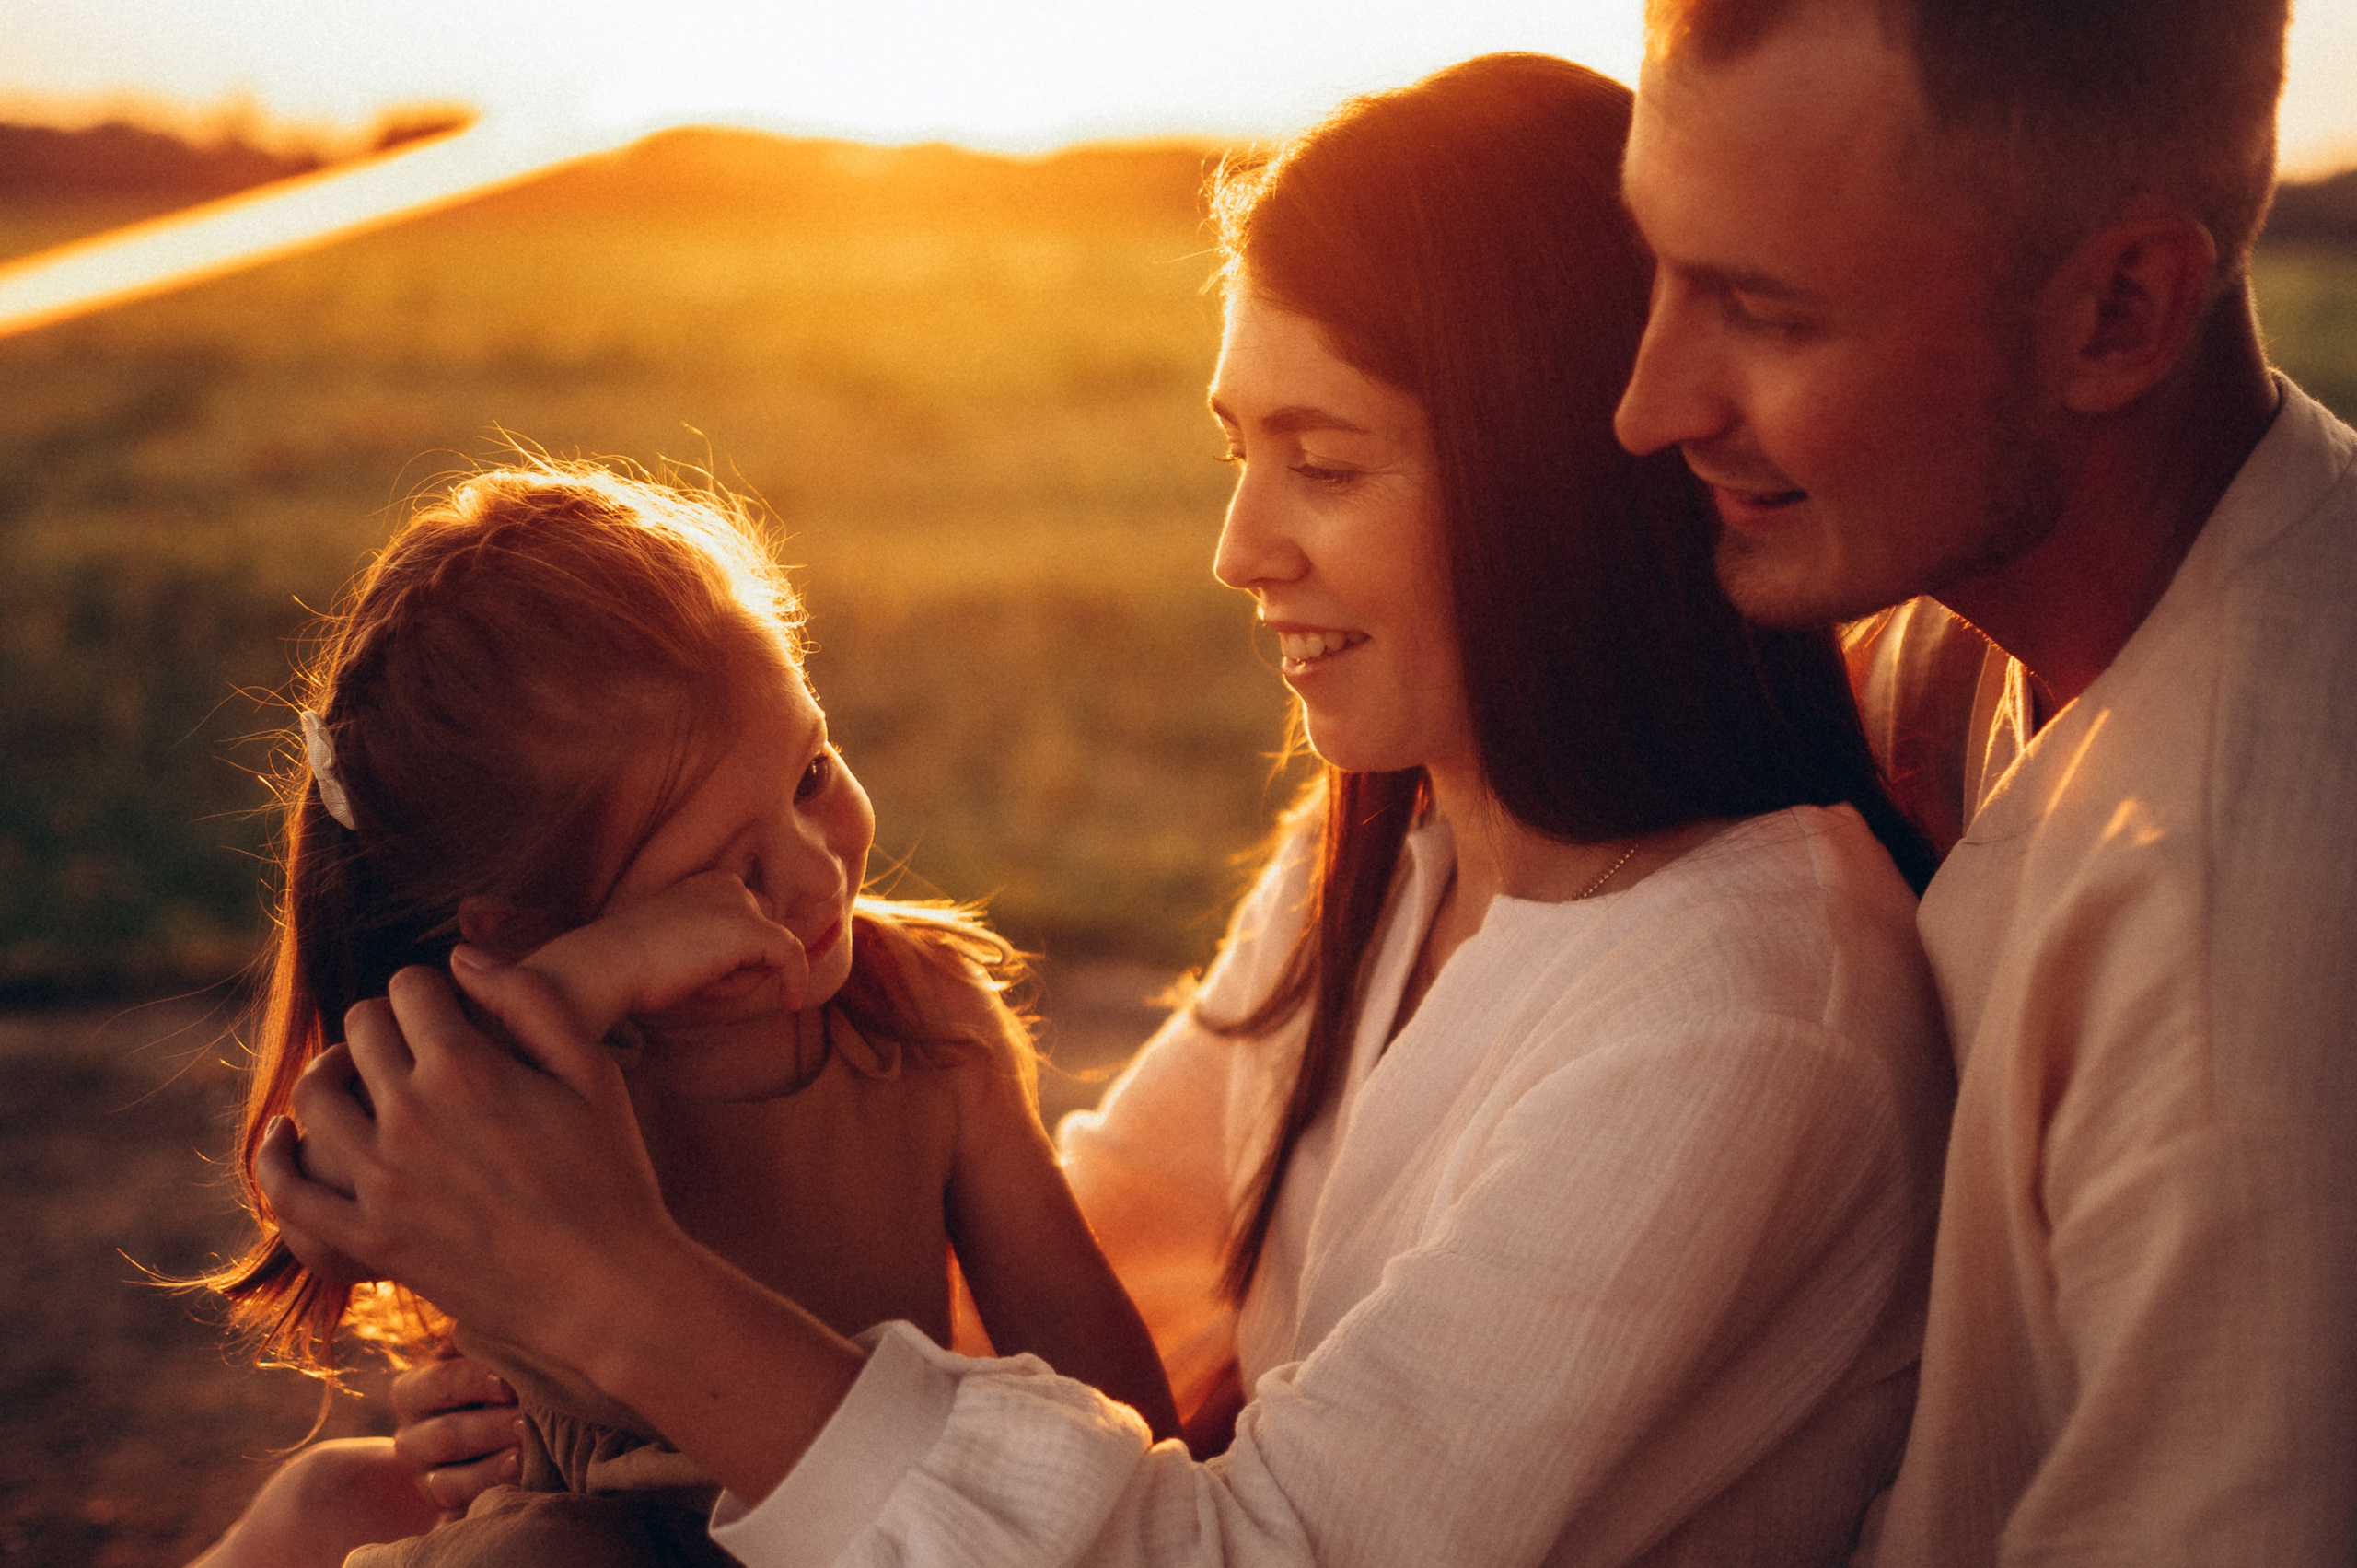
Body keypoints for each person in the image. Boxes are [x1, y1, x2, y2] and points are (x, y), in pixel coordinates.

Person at [261, 55, 1955, 1565]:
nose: (1240, 547)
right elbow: (1088, 1260)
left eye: (1324, 460)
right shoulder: (1394, 844)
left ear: (1556, 479)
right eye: (1238, 449)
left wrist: (631, 1296)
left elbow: (1239, 1549)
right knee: (333, 1509)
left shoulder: (1741, 1018)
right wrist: (559, 1356)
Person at [1613, 0, 2357, 1560]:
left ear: (2116, 314)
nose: (1649, 404)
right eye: (1655, 270)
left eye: (1765, 312)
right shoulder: (1957, 652)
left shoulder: (2239, 950)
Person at [190, 463, 1176, 1568]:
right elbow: (328, 1185)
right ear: (522, 929)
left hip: (855, 1524)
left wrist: (1121, 1506)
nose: (816, 873)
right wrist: (587, 978)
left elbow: (1089, 1359)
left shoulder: (917, 1016)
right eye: (726, 875)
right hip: (574, 1527)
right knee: (346, 1497)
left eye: (810, 772)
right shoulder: (528, 1061)